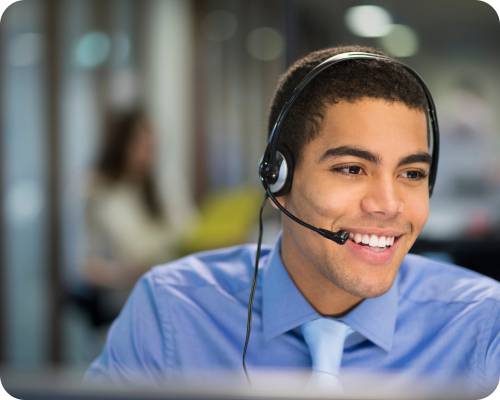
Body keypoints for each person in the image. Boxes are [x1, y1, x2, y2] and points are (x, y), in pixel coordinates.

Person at [85, 46, 499, 397]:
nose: (389, 205)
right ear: (277, 177)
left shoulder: (484, 325)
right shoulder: (171, 312)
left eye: (411, 174)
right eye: (352, 169)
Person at [81, 108, 177, 319]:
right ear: (122, 146)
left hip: (166, 296)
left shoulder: (157, 187)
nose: (147, 154)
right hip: (124, 302)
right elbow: (90, 268)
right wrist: (127, 272)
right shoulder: (100, 192)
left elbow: (183, 229)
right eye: (141, 145)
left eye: (151, 147)